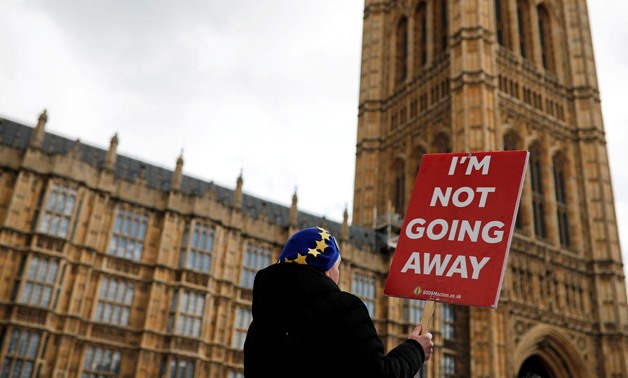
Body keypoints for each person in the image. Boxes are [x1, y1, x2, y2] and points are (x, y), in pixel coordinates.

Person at [243, 226, 433, 378]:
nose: (339, 274)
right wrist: (415, 349)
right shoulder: (343, 310)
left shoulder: (258, 327)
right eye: (338, 266)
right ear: (326, 269)